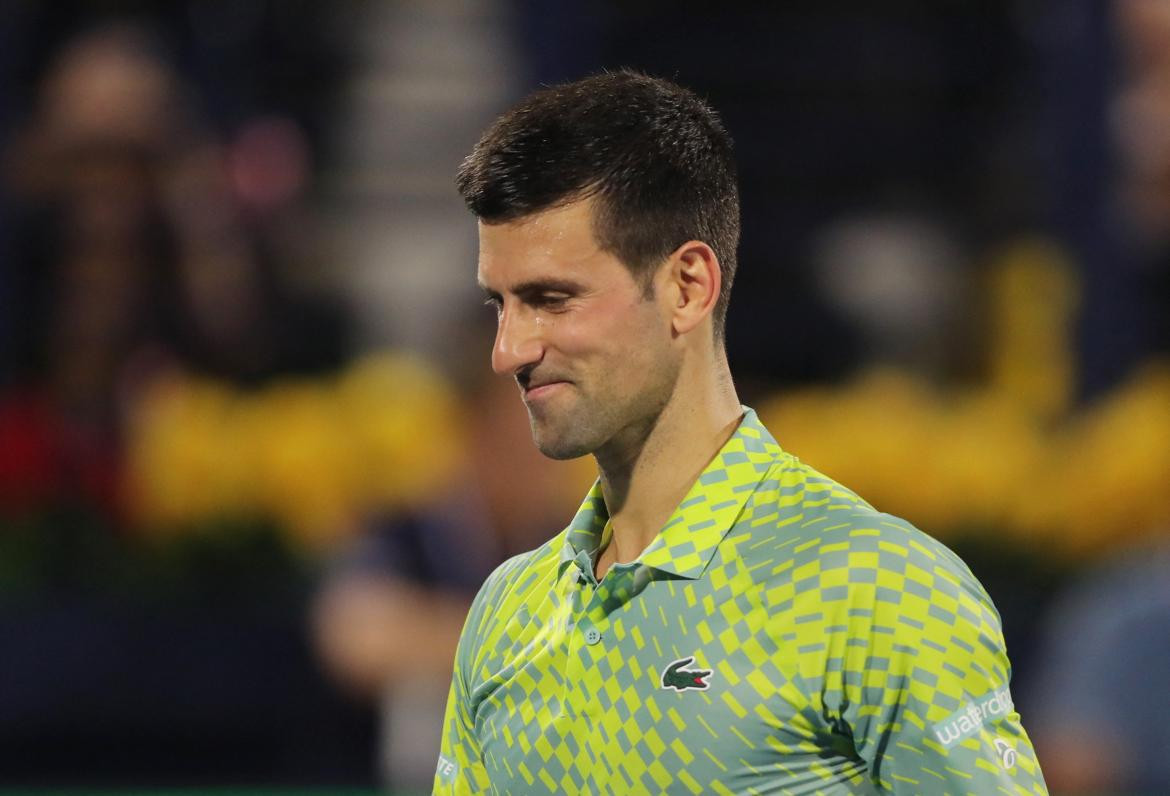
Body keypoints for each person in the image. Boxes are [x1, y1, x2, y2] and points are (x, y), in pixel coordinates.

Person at [434, 70, 1047, 795]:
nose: (508, 351)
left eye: (549, 299)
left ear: (688, 286)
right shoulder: (506, 612)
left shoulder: (877, 589)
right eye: (499, 305)